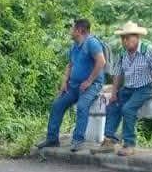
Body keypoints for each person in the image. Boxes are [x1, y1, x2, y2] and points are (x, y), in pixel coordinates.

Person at [93, 22, 152, 157]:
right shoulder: (122, 53)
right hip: (130, 87)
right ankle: (110, 140)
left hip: (146, 86)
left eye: (128, 37)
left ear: (137, 37)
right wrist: (114, 93)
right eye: (123, 38)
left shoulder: (148, 50)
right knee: (113, 105)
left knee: (128, 109)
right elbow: (118, 74)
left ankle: (129, 144)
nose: (125, 41)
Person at [38, 18, 107, 151]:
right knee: (57, 105)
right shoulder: (74, 46)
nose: (70, 31)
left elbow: (101, 61)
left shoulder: (92, 43)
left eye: (72, 28)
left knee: (82, 105)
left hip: (92, 85)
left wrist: (89, 81)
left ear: (80, 30)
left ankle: (78, 140)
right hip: (74, 85)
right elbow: (70, 65)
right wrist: (64, 82)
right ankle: (52, 139)